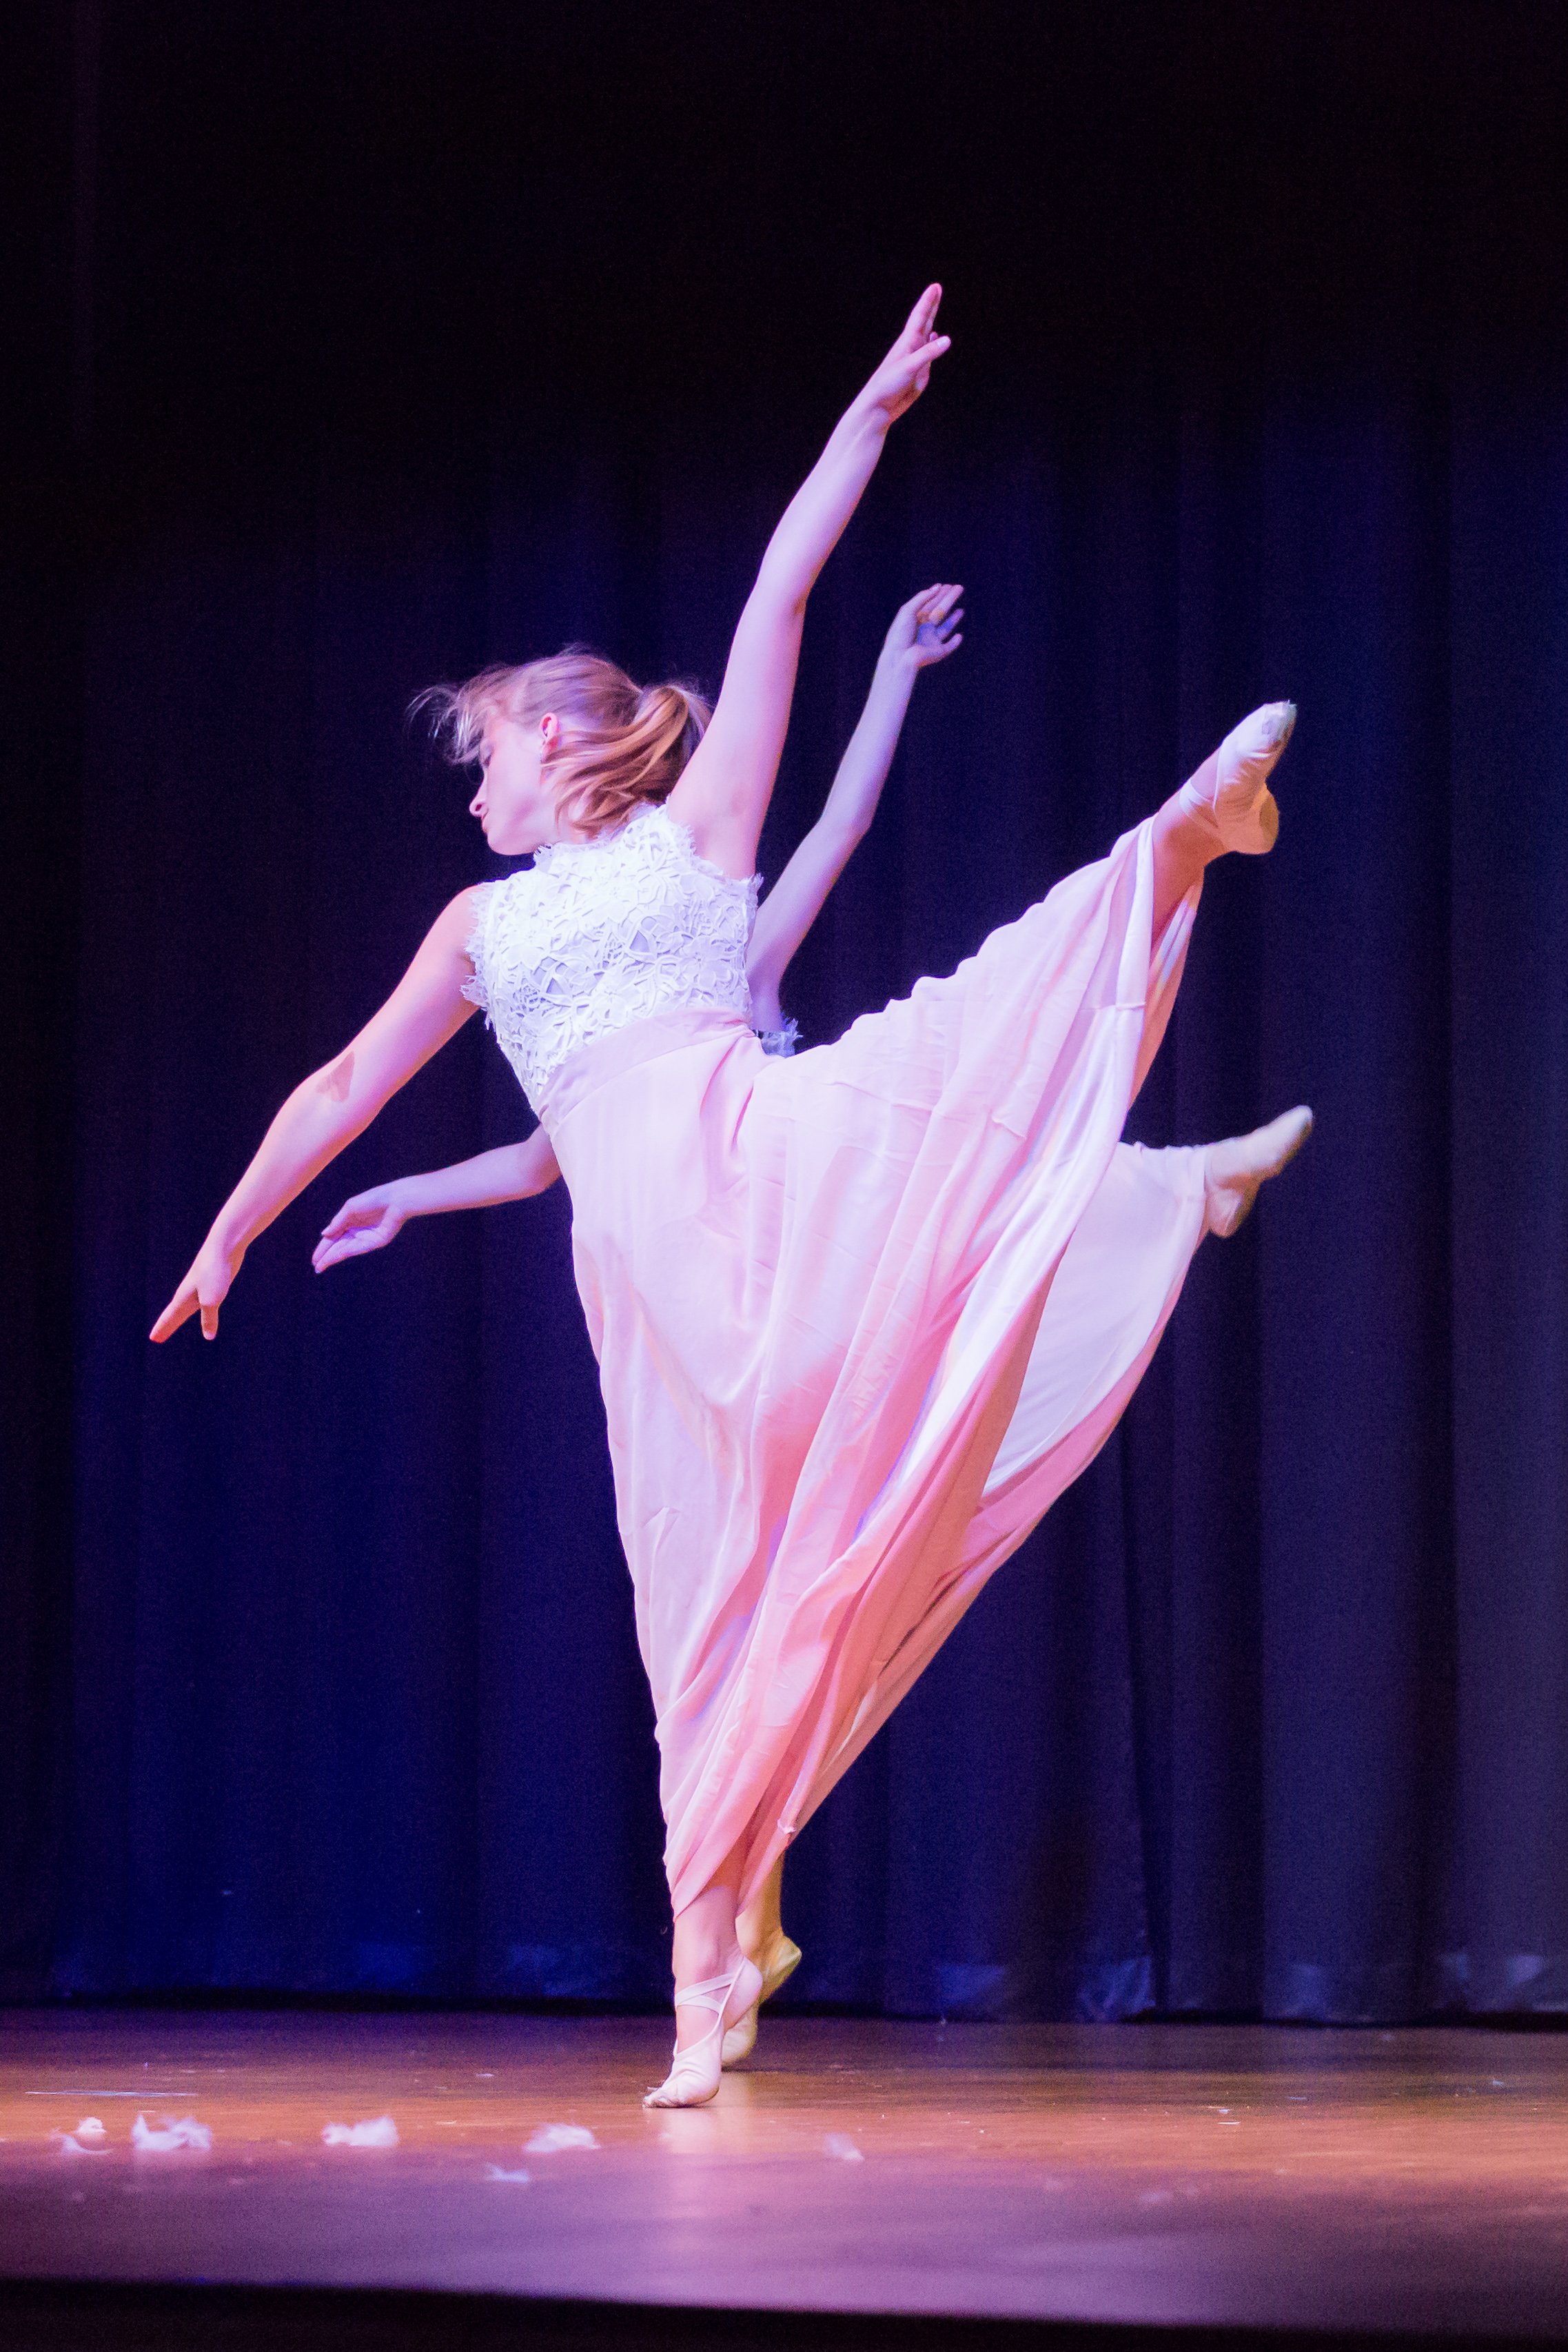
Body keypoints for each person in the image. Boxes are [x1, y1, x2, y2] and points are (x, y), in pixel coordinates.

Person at [153, 287, 1311, 2108]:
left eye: (482, 756)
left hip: (762, 1164)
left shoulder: (701, 844)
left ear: (555, 738)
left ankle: (1173, 849)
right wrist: (252, 1220)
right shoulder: (479, 928)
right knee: (702, 1625)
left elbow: (777, 599)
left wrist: (864, 419)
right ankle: (709, 1991)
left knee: (952, 1083)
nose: (471, 791)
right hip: (652, 1287)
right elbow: (358, 1090)